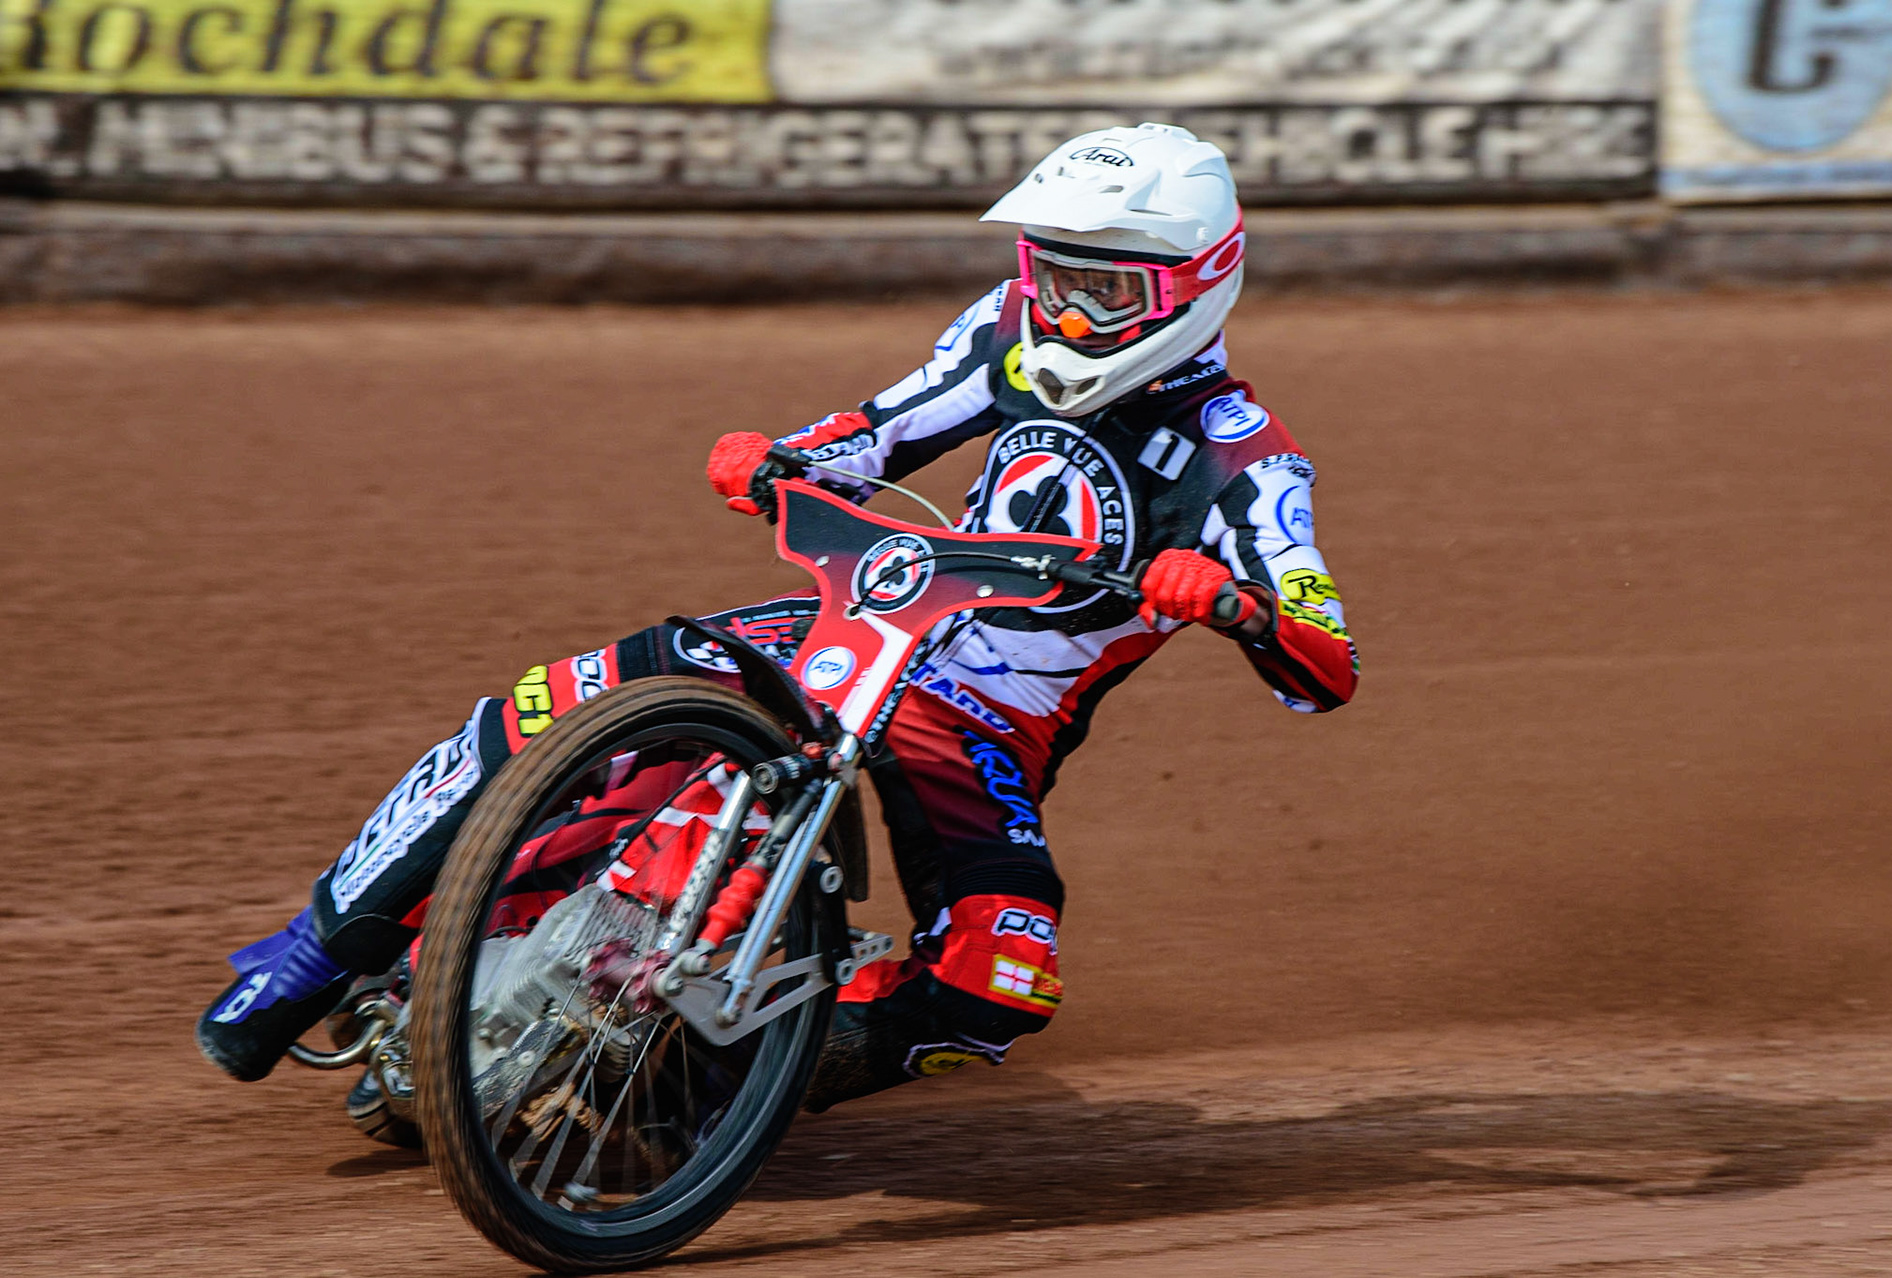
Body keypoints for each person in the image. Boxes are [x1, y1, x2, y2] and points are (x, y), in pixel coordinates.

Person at [197, 122, 1359, 1114]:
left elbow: (1327, 663)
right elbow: (880, 429)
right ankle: (313, 954)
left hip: (985, 726)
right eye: (1053, 275)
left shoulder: (1248, 465)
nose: (1066, 309)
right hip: (865, 621)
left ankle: (703, 1091)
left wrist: (1236, 605)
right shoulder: (1005, 330)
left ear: (1198, 284)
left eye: (1106, 291)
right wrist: (780, 458)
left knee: (998, 984)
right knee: (575, 697)